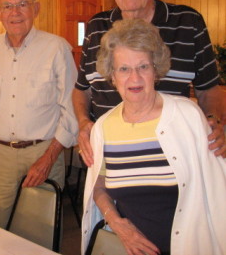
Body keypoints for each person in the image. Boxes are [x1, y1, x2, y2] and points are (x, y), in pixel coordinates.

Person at [81, 19, 226, 255]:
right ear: (112, 76)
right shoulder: (104, 128)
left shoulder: (187, 117)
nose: (135, 78)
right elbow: (98, 187)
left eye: (143, 67)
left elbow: (219, 189)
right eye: (124, 69)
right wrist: (118, 225)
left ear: (156, 70)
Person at [74, 0, 225, 167]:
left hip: (173, 153)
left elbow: (209, 89)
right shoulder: (97, 26)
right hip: (109, 151)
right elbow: (81, 89)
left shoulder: (188, 22)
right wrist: (83, 122)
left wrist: (213, 121)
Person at [0, 0, 78, 228]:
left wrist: (49, 158)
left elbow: (71, 109)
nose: (14, 12)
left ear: (35, 9)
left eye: (22, 4)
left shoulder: (56, 48)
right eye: (7, 6)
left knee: (43, 229)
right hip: (0, 155)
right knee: (4, 227)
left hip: (43, 151)